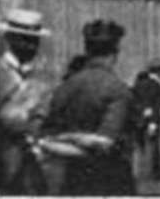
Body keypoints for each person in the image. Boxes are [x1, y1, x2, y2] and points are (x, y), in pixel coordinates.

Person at [43, 19, 136, 194]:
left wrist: (67, 137)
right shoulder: (118, 90)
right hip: (112, 181)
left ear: (87, 51)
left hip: (72, 181)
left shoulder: (64, 87)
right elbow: (105, 143)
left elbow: (47, 138)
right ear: (115, 53)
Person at [0, 8, 51, 194]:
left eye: (35, 41)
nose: (32, 47)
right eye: (26, 40)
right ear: (10, 39)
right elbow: (10, 119)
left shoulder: (30, 75)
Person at [131, 58, 160, 181]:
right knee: (154, 148)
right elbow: (157, 107)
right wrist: (153, 123)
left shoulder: (138, 85)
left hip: (138, 120)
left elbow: (133, 102)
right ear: (159, 71)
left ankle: (137, 174)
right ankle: (155, 174)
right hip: (153, 121)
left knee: (139, 147)